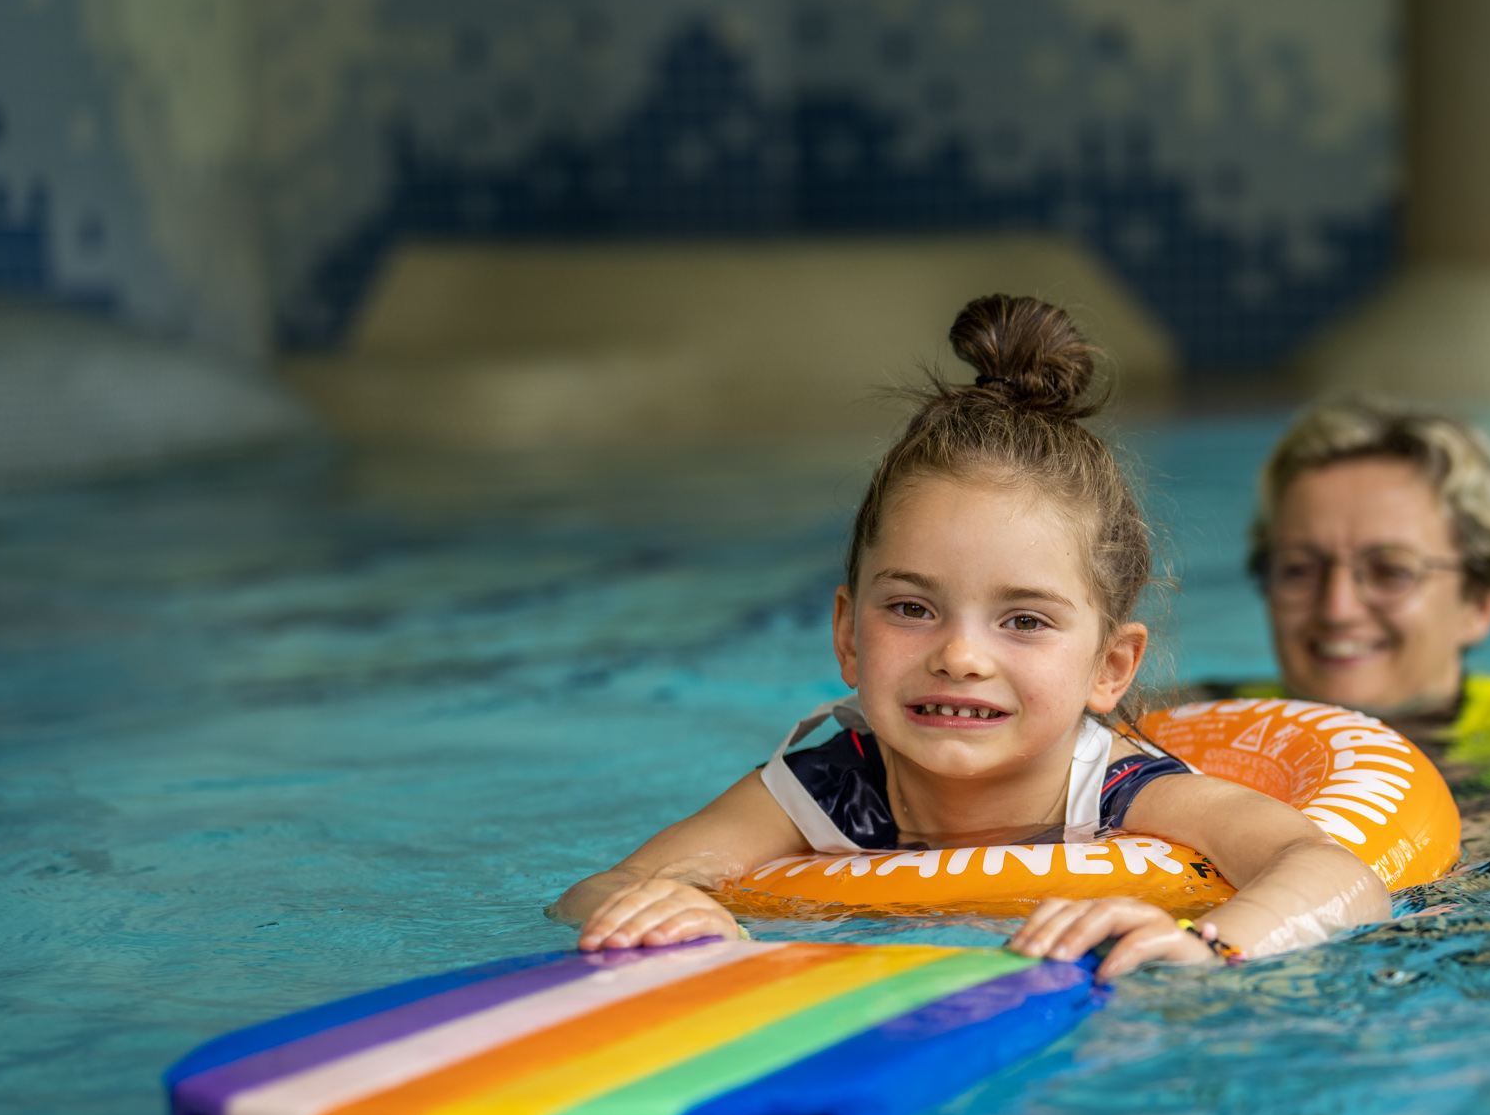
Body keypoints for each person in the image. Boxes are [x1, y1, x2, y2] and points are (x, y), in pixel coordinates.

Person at [555, 296, 1391, 977]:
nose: (959, 655)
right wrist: (672, 906)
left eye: (1023, 620)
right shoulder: (823, 791)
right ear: (848, 634)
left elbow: (1337, 873)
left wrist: (1207, 947)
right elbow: (602, 887)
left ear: (1110, 667)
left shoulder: (1123, 798)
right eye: (912, 608)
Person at [1201, 398, 1490, 821]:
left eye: (1391, 571)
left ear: (1479, 602)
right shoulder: (1195, 719)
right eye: (1299, 570)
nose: (1338, 608)